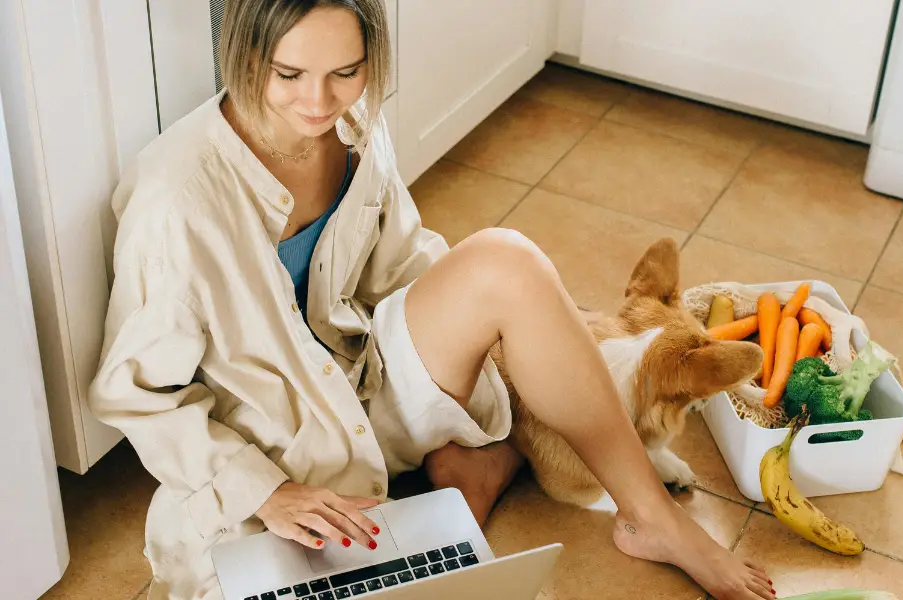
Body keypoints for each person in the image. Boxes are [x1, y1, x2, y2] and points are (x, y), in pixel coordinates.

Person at [88, 1, 774, 599]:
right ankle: (475, 472)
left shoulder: (356, 130)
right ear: (243, 53)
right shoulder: (175, 199)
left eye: (346, 72)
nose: (320, 104)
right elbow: (139, 396)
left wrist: (519, 340)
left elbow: (411, 270)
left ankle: (650, 516)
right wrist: (266, 492)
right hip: (272, 443)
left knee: (506, 260)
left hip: (365, 380)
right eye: (288, 74)